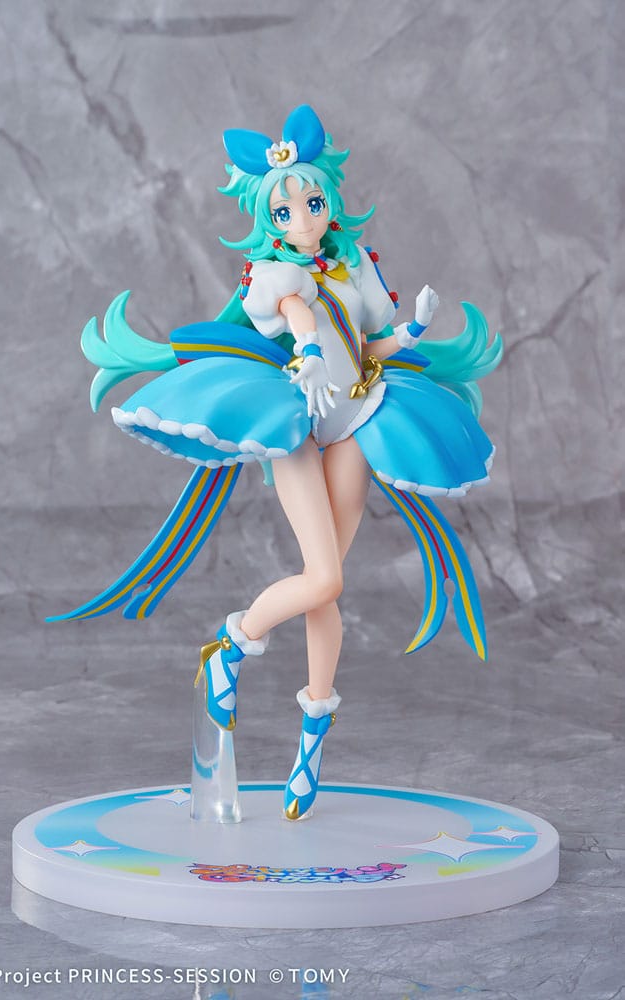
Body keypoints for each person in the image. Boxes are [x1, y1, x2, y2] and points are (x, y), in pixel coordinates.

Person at [51, 105, 502, 821]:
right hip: (298, 426)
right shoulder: (272, 272)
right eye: (286, 210)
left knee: (327, 591)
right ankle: (230, 647)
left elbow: (373, 344)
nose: (302, 217)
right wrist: (310, 351)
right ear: (269, 218)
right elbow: (296, 312)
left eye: (312, 203)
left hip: (356, 416)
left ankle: (310, 740)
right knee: (324, 577)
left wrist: (414, 327)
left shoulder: (355, 265)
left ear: (330, 203)